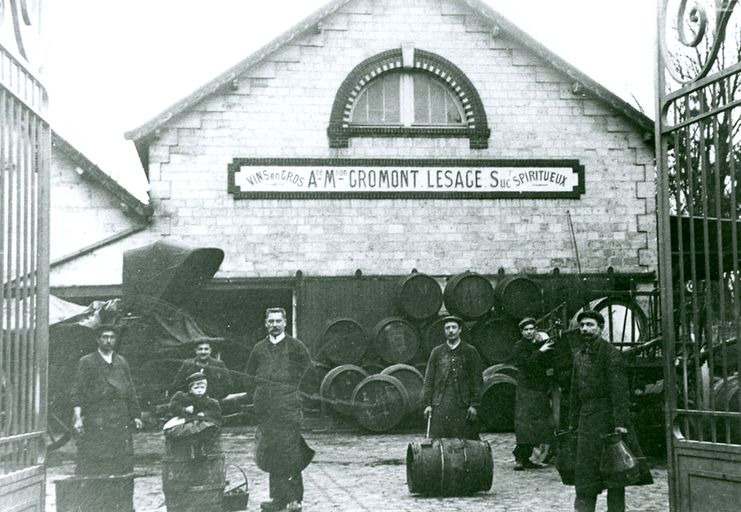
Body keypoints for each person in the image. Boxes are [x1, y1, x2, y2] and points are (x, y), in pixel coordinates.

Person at [569, 310, 650, 512]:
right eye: (583, 326)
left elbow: (619, 392)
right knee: (585, 477)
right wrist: (572, 422)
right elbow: (573, 392)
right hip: (586, 422)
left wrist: (620, 424)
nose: (585, 329)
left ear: (601, 328)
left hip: (607, 422)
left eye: (590, 325)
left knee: (615, 474)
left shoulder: (610, 354)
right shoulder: (579, 355)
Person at [244, 308, 314, 512]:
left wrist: (298, 396)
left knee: (290, 453)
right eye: (271, 321)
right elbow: (248, 377)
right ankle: (277, 499)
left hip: (288, 409)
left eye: (278, 321)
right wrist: (256, 397)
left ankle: (294, 499)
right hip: (266, 411)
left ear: (285, 323)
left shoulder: (296, 347)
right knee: (272, 453)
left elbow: (310, 374)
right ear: (266, 324)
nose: (274, 325)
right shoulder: (258, 349)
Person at [71, 324, 143, 476]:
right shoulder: (87, 362)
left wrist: (136, 416)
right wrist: (77, 418)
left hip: (120, 416)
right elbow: (78, 391)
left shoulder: (121, 361)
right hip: (97, 416)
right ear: (98, 340)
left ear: (115, 340)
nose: (108, 341)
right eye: (104, 337)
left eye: (111, 337)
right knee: (96, 457)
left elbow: (130, 390)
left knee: (120, 458)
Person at [421, 315, 483, 440]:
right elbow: (429, 379)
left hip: (463, 406)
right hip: (440, 405)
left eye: (454, 327)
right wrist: (427, 404)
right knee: (438, 442)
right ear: (444, 331)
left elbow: (477, 380)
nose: (450, 331)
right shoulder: (437, 352)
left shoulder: (470, 351)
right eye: (447, 328)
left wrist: (474, 405)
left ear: (460, 330)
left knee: (466, 441)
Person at [512, 317, 554, 470]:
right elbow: (527, 363)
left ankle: (528, 457)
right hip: (526, 389)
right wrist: (541, 352)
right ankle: (520, 458)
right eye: (526, 330)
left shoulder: (539, 345)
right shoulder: (519, 347)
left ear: (535, 330)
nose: (529, 332)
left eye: (531, 329)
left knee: (538, 424)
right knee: (524, 424)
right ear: (521, 332)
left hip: (539, 388)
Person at [166, 371, 222, 458]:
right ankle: (186, 452)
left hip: (203, 424)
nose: (200, 390)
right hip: (186, 422)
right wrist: (184, 410)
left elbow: (216, 413)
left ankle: (201, 450)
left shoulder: (210, 401)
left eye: (202, 387)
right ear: (190, 389)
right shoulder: (183, 397)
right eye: (196, 388)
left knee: (207, 430)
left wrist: (205, 413)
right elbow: (173, 406)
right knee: (184, 433)